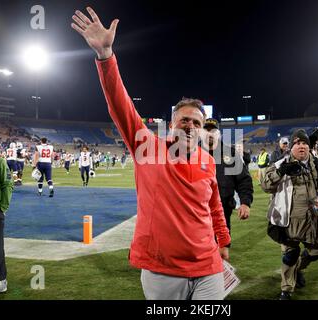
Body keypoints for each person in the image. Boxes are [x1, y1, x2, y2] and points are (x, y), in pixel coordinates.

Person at [72, 7, 231, 300]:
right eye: (184, 119)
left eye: (196, 122)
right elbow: (120, 105)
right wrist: (106, 56)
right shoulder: (148, 147)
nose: (190, 126)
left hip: (208, 264)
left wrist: (223, 240)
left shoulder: (207, 161)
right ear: (172, 124)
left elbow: (214, 206)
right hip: (163, 268)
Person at [261, 129, 318, 300]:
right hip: (290, 217)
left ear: (309, 146)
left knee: (317, 251)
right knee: (290, 254)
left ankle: (298, 269)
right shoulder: (281, 163)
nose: (301, 146)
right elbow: (266, 186)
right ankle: (287, 289)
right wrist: (281, 171)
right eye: (297, 143)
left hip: (316, 213)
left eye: (304, 143)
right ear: (291, 147)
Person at [202, 118, 254, 243]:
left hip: (223, 210)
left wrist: (245, 202)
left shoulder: (230, 153)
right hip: (196, 210)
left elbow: (243, 180)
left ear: (218, 134)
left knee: (221, 247)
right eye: (206, 130)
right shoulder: (191, 152)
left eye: (213, 130)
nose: (210, 133)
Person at [0, 149, 14, 294]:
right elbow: (8, 184)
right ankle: (0, 280)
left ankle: (0, 280)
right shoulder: (0, 162)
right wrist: (3, 207)